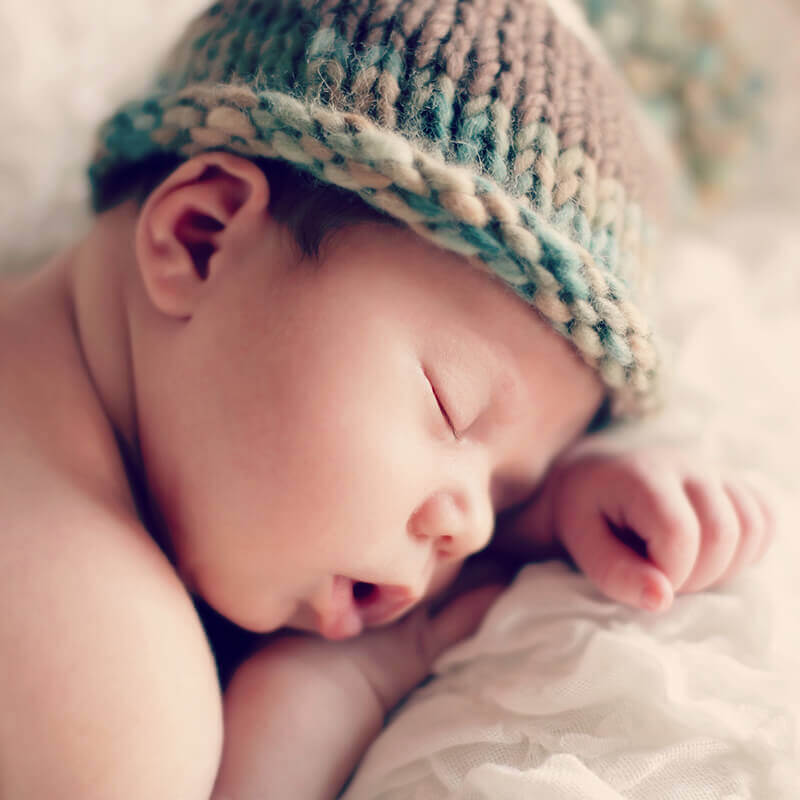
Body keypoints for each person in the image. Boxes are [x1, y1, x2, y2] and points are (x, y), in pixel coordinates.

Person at [0, 0, 778, 797]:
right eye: (450, 409)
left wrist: (541, 521)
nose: (471, 527)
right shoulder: (109, 697)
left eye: (508, 488)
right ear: (201, 239)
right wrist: (355, 677)